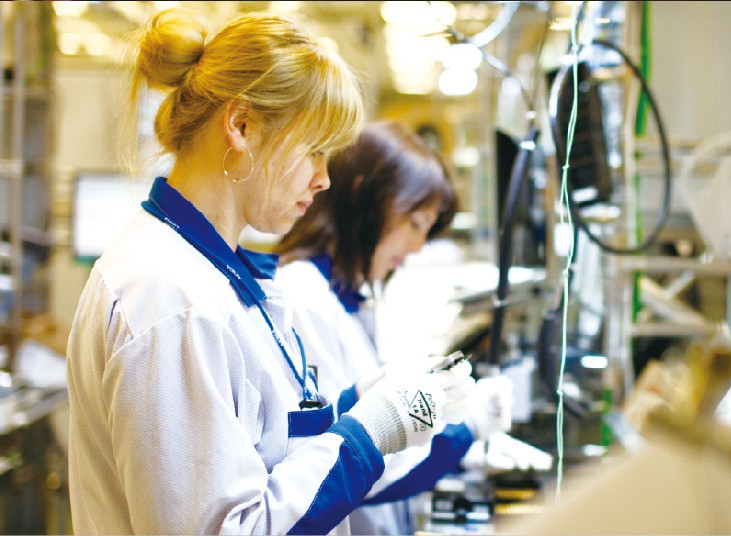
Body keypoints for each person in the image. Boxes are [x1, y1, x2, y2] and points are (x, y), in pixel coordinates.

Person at [65, 9, 474, 535]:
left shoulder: (210, 277)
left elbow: (266, 453)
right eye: (315, 151)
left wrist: (360, 402)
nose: (324, 179)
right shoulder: (169, 297)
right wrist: (370, 434)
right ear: (241, 127)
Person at [272, 121, 515, 535]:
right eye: (415, 223)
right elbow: (351, 464)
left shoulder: (350, 298)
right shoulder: (303, 297)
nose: (418, 246)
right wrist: (467, 427)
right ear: (366, 199)